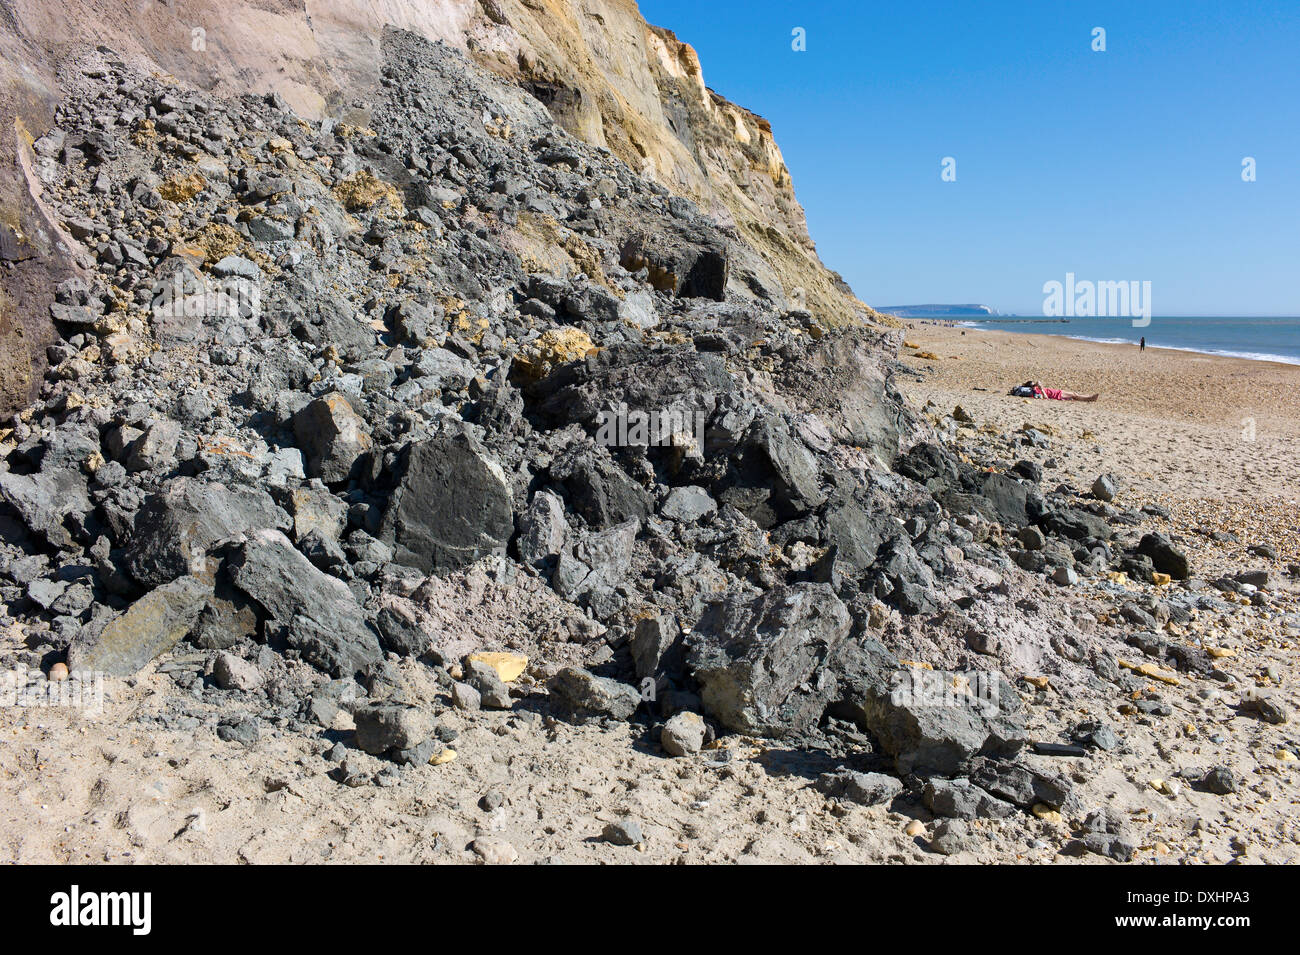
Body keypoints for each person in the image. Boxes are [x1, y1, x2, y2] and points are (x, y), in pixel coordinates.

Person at [1029, 380, 1098, 402]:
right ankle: (1090, 398)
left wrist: (1038, 385)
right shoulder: (1036, 392)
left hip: (1057, 392)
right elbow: (1045, 397)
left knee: (1075, 394)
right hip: (1056, 395)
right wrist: (1041, 389)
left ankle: (1089, 397)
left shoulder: (1037, 389)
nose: (1035, 386)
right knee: (1074, 395)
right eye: (1033, 386)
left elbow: (1039, 382)